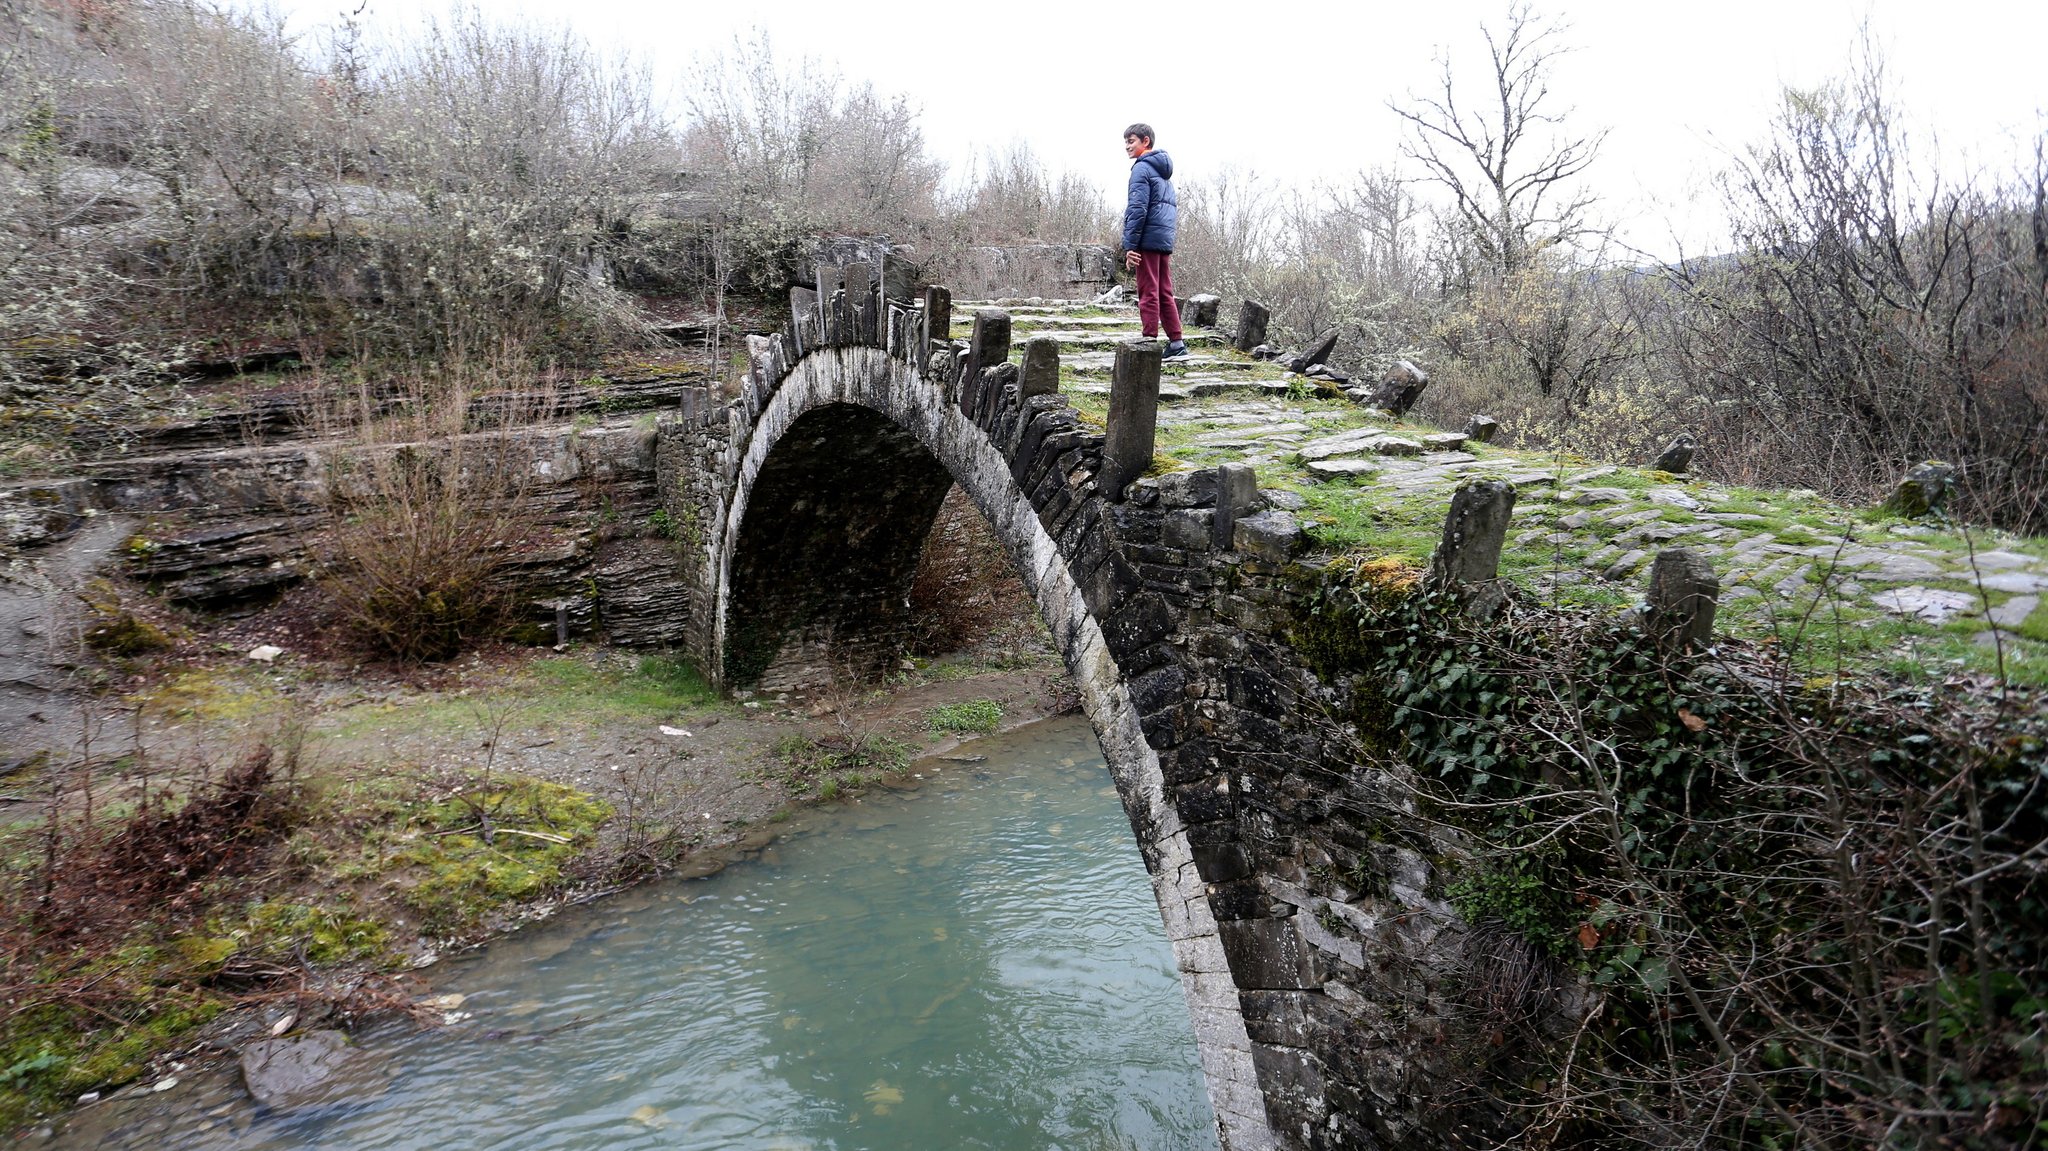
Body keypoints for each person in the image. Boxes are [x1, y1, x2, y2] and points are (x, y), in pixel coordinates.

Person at [1120, 123, 1186, 360]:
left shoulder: (1141, 169)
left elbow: (1137, 209)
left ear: (1145, 141)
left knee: (1148, 291)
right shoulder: (1163, 172)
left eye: (1131, 141)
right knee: (1164, 292)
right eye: (1126, 142)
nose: (1127, 147)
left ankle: (1149, 342)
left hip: (1147, 239)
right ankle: (1177, 344)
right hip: (1162, 240)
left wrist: (1130, 245)